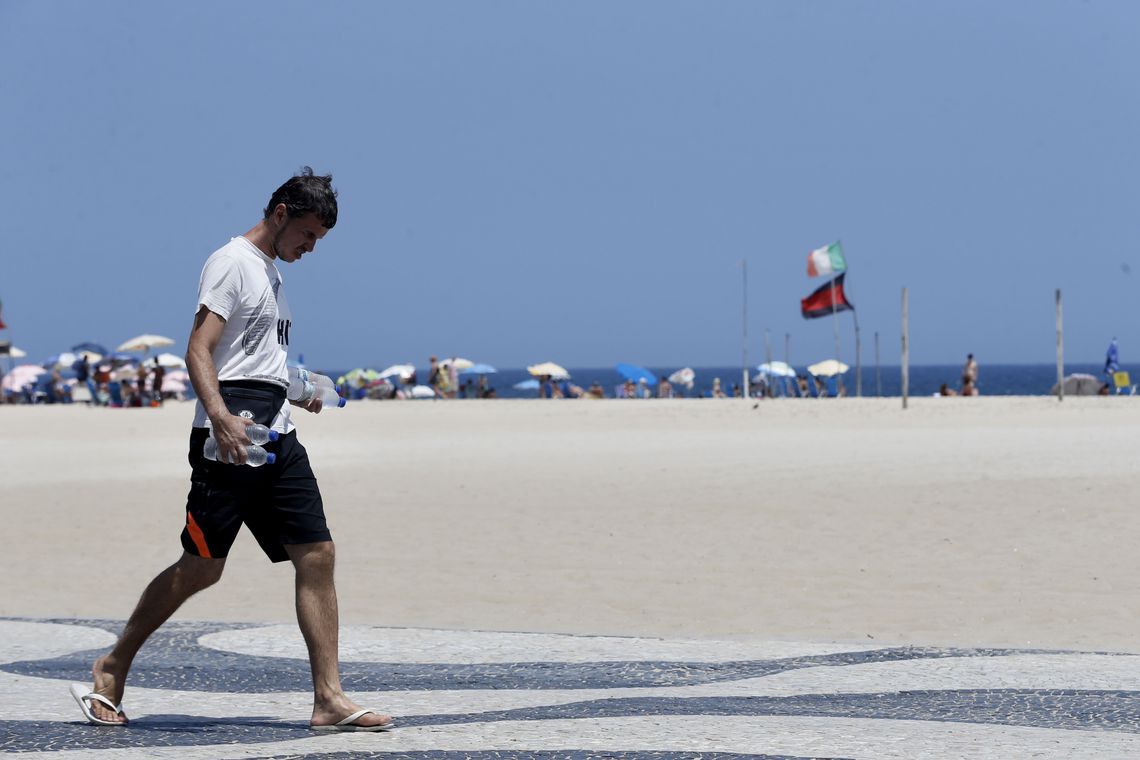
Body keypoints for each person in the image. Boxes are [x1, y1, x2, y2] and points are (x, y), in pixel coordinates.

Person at [71, 168, 392, 732]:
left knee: (317, 553)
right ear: (281, 213)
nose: (311, 248)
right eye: (308, 234)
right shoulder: (231, 262)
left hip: (277, 434)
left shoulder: (270, 272)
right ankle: (112, 666)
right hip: (230, 437)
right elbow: (199, 348)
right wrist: (219, 417)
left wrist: (298, 387)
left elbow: (253, 358)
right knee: (201, 568)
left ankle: (328, 698)